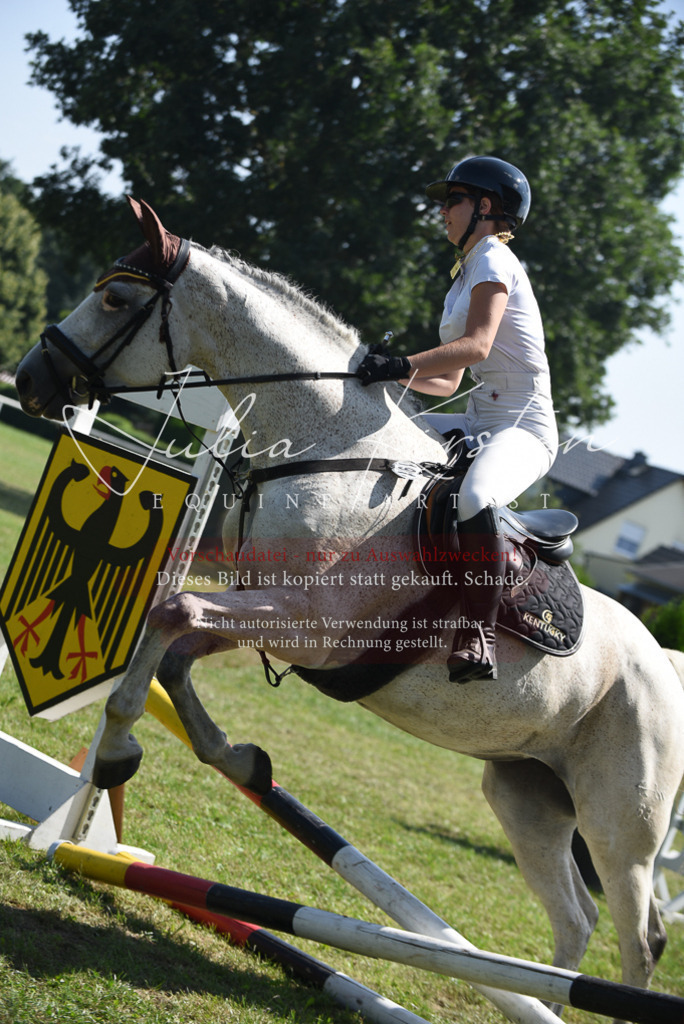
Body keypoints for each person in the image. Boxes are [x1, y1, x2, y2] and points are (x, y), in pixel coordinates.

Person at [357, 155, 558, 683]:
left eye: (453, 201)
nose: (442, 212)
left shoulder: (494, 259)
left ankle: (479, 633)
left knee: (474, 497)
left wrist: (401, 363)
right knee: (389, 444)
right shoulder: (465, 273)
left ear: (484, 207)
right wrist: (384, 376)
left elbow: (477, 346)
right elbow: (445, 382)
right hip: (477, 419)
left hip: (524, 430)